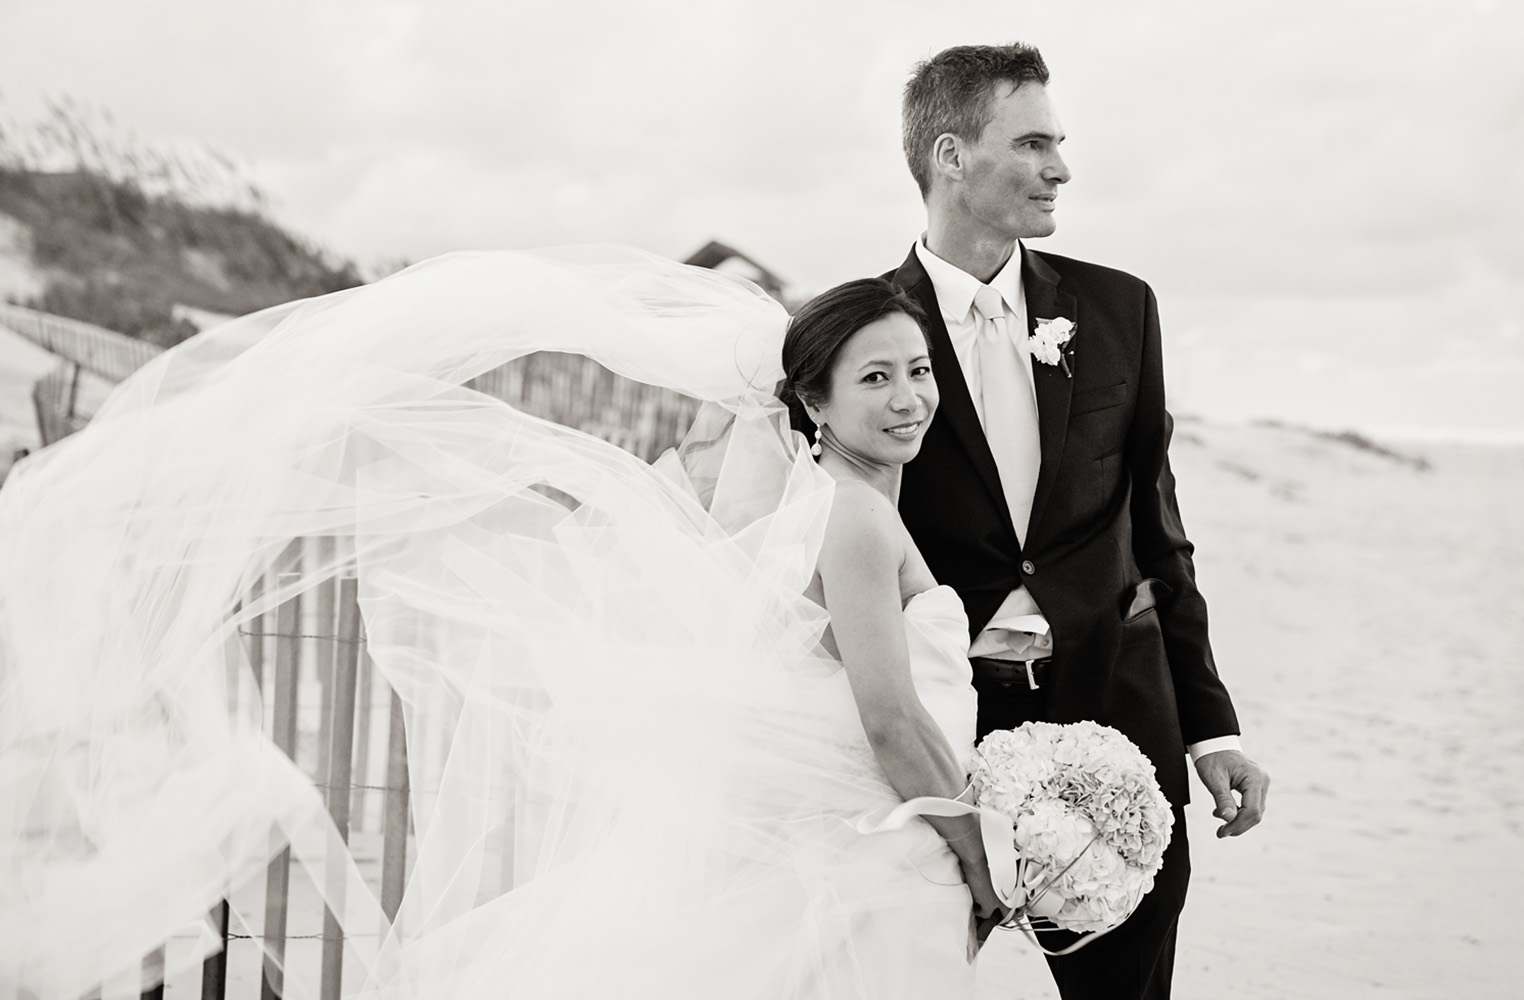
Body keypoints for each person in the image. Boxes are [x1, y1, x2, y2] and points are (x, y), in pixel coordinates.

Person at [0, 251, 998, 998]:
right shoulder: (857, 518)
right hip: (888, 848)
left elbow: (814, 688)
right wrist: (986, 855)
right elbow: (889, 723)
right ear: (813, 403)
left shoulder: (822, 501)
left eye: (917, 369)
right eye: (875, 377)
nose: (909, 396)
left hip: (847, 834)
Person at [882, 43, 1270, 999]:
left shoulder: (1118, 308)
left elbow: (1157, 528)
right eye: (1033, 143)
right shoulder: (867, 334)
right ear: (950, 155)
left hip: (1117, 716)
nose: (1061, 167)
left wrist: (1210, 730)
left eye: (1061, 143)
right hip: (944, 728)